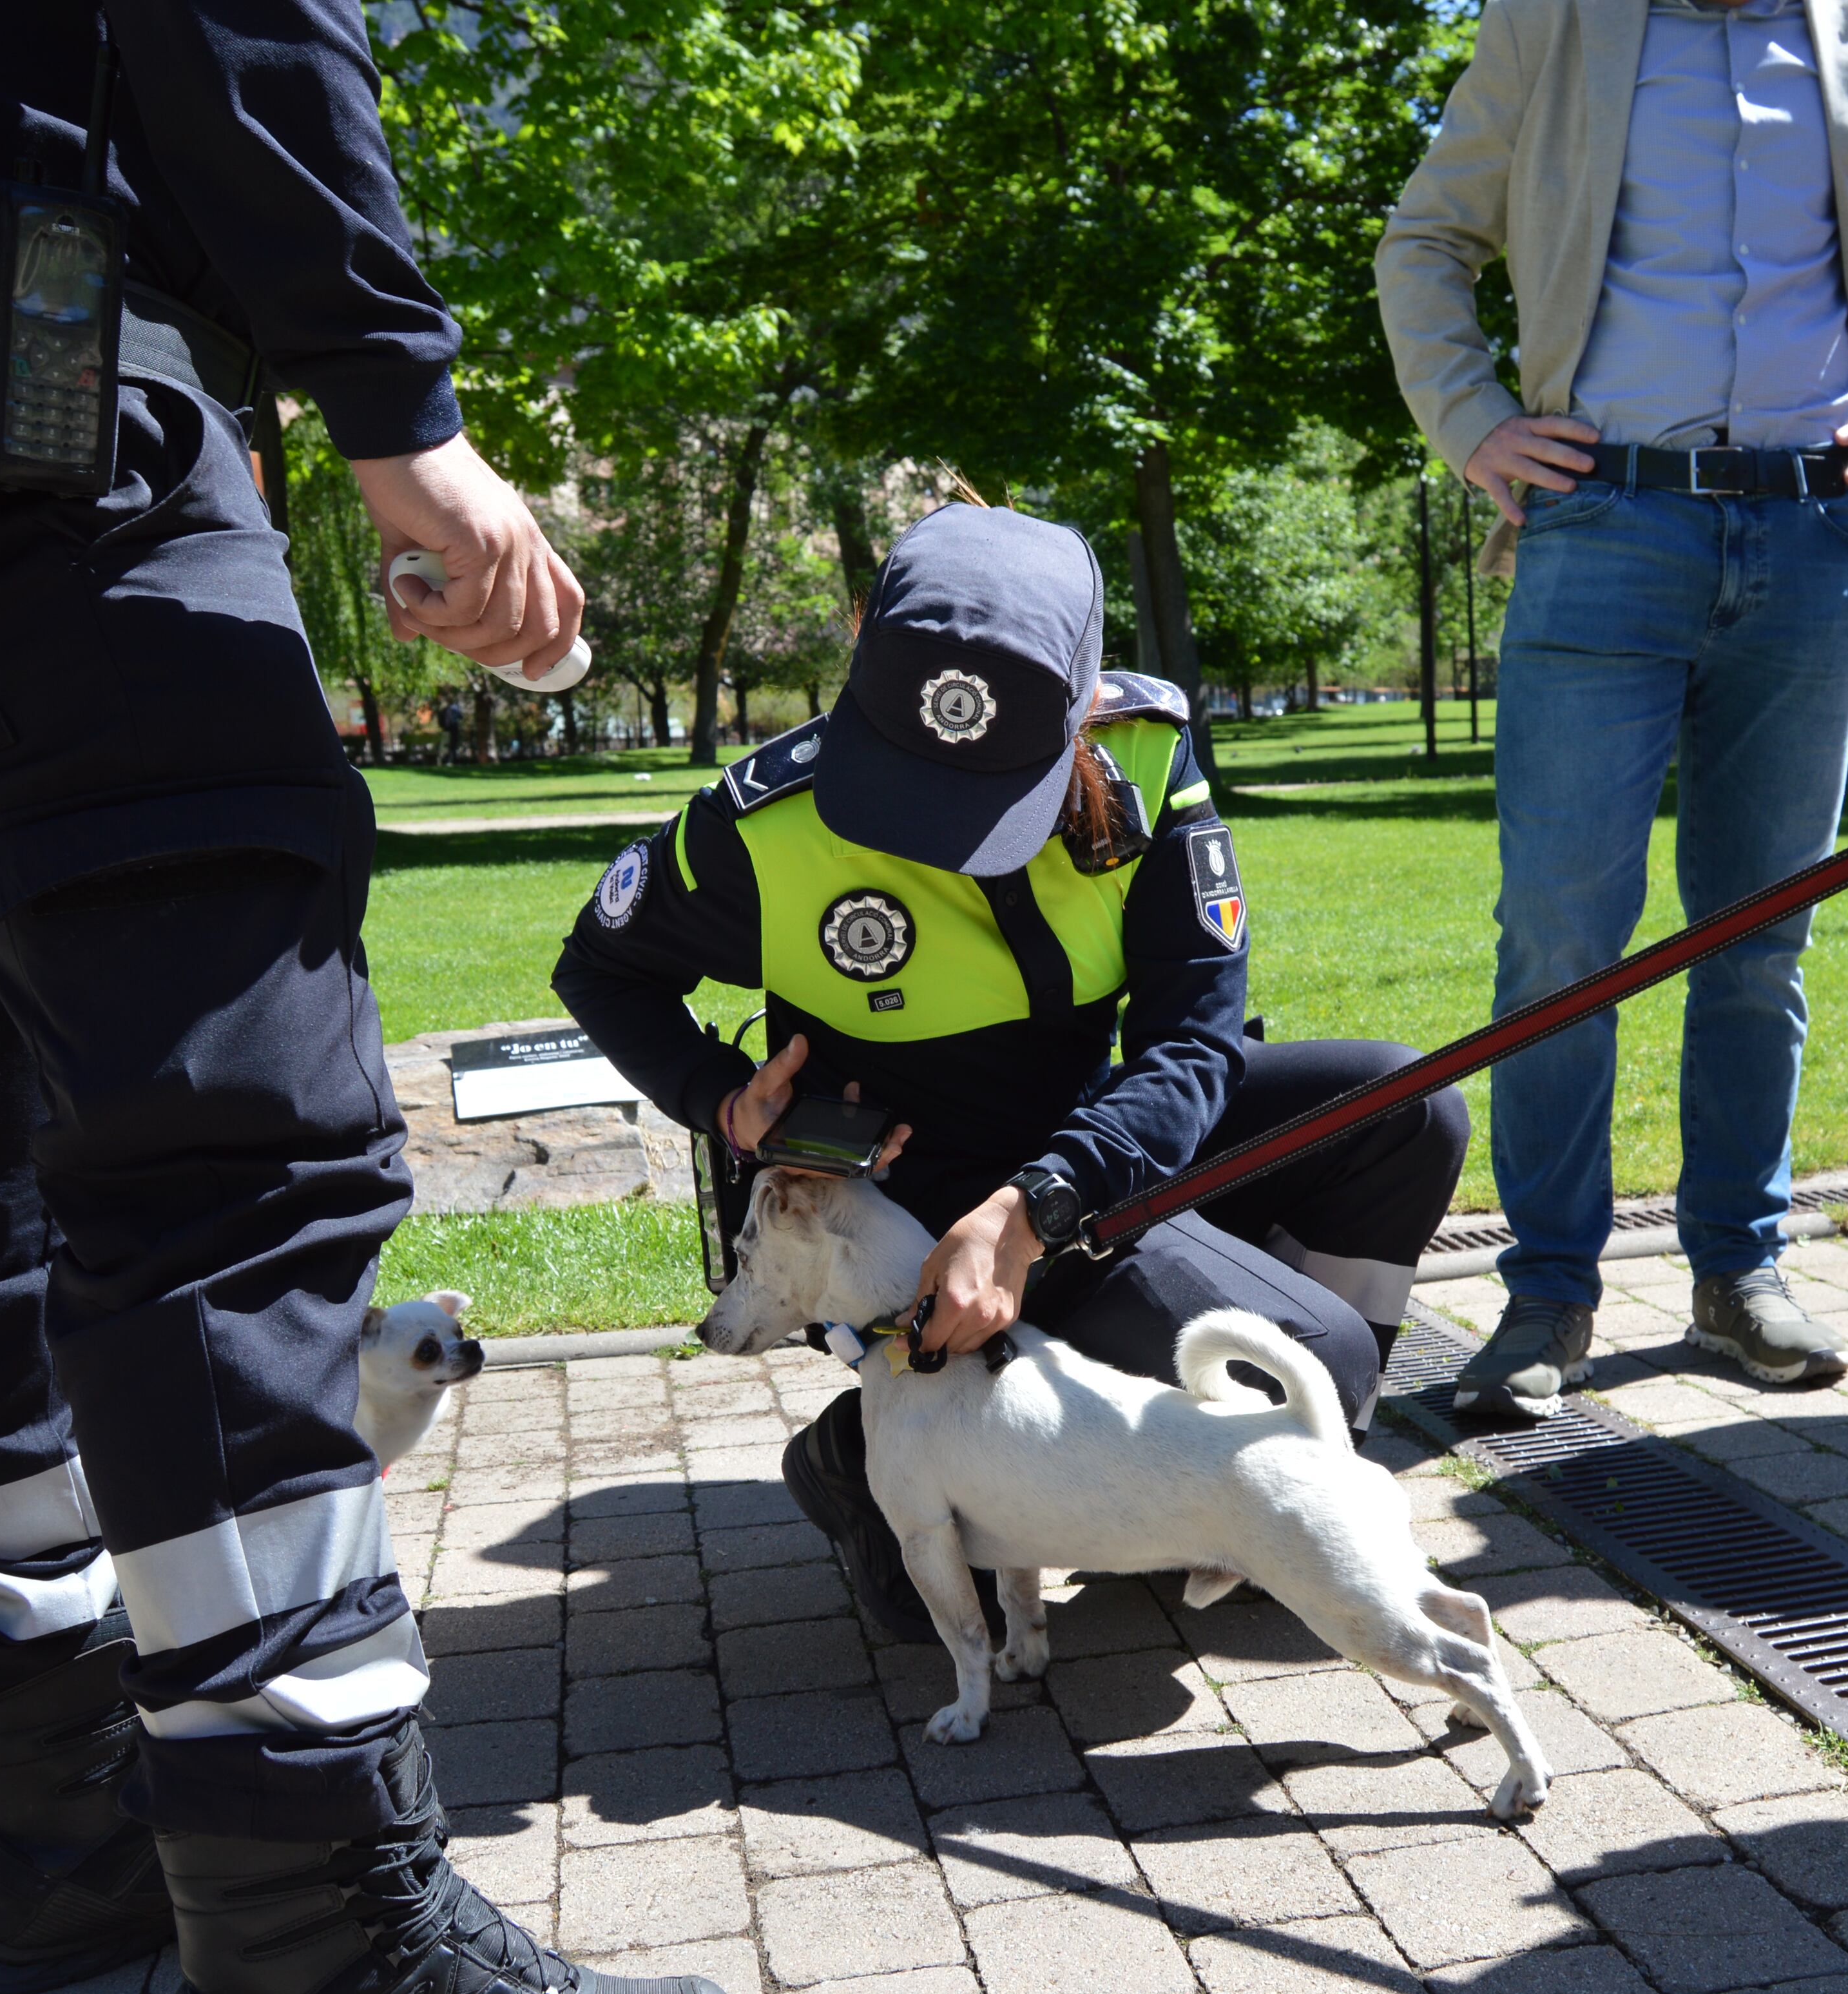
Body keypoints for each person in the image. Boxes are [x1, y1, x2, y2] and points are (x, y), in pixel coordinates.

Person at [0, 4, 738, 1994]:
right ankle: (326, 1952)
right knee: (241, 1168)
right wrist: (396, 400)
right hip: (31, 378)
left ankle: (78, 1826)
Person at [555, 501, 1470, 1643]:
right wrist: (722, 1101)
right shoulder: (762, 822)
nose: (942, 837)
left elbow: (1194, 1038)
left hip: (1090, 1157)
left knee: (1406, 1107)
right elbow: (601, 967)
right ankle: (865, 1452)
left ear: (1086, 701)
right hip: (917, 1197)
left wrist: (1041, 1205)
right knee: (1313, 1360)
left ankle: (1241, 1487)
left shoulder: (1147, 753)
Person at [1375, 0, 1848, 1411]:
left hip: (1815, 537)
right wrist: (1472, 418)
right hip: (1604, 524)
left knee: (1757, 937)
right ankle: (1545, 1298)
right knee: (1558, 937)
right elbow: (1425, 239)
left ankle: (1739, 1273)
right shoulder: (1553, 23)